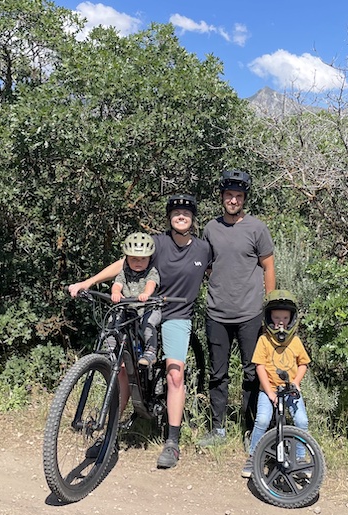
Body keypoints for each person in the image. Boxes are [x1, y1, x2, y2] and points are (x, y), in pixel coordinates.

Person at [68, 194, 210, 470]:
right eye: (176, 213)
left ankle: (172, 441)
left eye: (186, 213)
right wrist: (89, 281)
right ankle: (111, 432)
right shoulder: (157, 243)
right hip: (141, 310)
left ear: (193, 219)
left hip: (176, 314)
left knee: (174, 372)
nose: (181, 217)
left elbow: (219, 273)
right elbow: (124, 265)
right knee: (119, 368)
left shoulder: (204, 249)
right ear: (170, 217)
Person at [198, 169, 276, 447]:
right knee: (217, 373)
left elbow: (268, 265)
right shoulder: (210, 228)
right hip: (217, 312)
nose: (233, 200)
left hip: (250, 313)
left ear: (244, 199)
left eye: (238, 196)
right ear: (222, 197)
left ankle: (251, 430)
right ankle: (217, 429)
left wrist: (271, 304)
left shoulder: (257, 228)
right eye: (229, 195)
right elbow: (206, 265)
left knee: (253, 372)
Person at [242, 289, 310, 478]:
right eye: (277, 317)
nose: (281, 321)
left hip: (290, 390)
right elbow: (259, 366)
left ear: (292, 319)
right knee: (262, 420)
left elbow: (303, 363)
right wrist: (269, 392)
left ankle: (299, 459)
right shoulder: (264, 340)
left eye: (285, 317)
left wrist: (296, 382)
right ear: (269, 317)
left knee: (301, 421)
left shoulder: (295, 341)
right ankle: (254, 457)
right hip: (269, 390)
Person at [111, 232, 160, 366]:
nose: (138, 262)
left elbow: (151, 283)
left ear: (150, 259)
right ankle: (109, 347)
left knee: (148, 325)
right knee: (113, 320)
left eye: (143, 259)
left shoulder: (151, 271)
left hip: (148, 308)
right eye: (133, 259)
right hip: (128, 308)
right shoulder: (124, 272)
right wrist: (116, 292)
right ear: (126, 258)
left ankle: (150, 352)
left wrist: (146, 293)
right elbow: (117, 284)